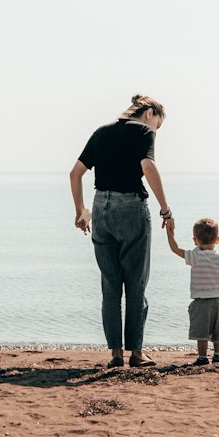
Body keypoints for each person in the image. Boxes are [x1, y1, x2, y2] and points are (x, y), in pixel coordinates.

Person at [69, 94, 174, 368]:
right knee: (136, 283)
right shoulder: (142, 131)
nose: (156, 131)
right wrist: (165, 209)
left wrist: (80, 211)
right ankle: (136, 354)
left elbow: (75, 173)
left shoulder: (101, 132)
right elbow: (148, 166)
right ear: (149, 113)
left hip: (100, 208)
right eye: (158, 125)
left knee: (110, 285)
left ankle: (116, 353)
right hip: (130, 208)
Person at [165, 216, 219, 365]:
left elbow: (175, 249)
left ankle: (202, 357)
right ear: (217, 240)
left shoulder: (195, 256)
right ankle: (218, 355)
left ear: (195, 240)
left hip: (201, 301)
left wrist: (170, 231)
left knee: (202, 332)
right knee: (218, 330)